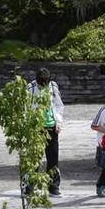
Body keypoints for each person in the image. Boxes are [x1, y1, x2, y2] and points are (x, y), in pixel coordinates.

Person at [26, 68, 64, 196]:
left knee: (53, 158)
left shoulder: (53, 86)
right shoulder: (30, 88)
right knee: (34, 159)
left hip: (51, 126)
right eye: (40, 83)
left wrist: (58, 122)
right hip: (36, 127)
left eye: (45, 83)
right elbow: (24, 108)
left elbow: (59, 105)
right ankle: (29, 186)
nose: (43, 85)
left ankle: (53, 186)